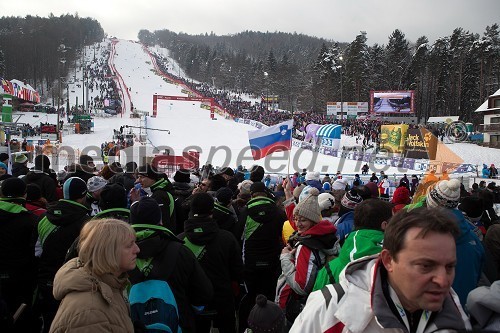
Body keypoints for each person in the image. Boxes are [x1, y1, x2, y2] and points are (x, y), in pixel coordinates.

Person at [290, 207, 472, 332]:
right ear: (388, 260)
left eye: (449, 267)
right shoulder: (329, 309)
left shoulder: (455, 314)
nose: (442, 280)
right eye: (426, 266)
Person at [49, 219, 139, 332]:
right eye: (129, 245)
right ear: (108, 251)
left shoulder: (110, 286)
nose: (137, 249)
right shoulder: (90, 311)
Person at [177, 193, 243, 333]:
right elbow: (237, 271)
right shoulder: (227, 238)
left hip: (193, 301)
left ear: (191, 211)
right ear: (212, 211)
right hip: (223, 299)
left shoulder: (179, 241)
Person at [275, 188, 336, 324]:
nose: (297, 224)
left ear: (313, 221)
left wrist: (285, 258)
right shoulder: (323, 235)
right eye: (296, 219)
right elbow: (297, 221)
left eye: (302, 220)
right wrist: (289, 197)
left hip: (298, 307)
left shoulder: (306, 246)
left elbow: (301, 287)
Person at [313, 199, 393, 291]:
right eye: (393, 221)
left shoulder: (329, 270)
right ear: (385, 225)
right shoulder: (397, 262)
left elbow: (315, 303)